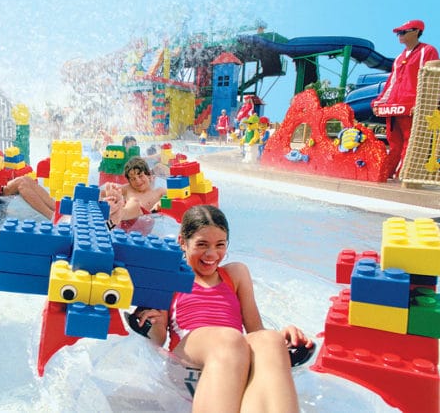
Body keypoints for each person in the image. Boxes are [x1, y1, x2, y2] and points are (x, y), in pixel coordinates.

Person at [133, 205, 313, 413]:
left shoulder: (236, 274)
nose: (212, 254)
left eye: (220, 245)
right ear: (182, 242)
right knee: (229, 339)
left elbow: (256, 331)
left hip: (233, 350)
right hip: (189, 354)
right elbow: (158, 340)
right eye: (202, 244)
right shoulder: (171, 277)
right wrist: (149, 322)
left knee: (269, 340)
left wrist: (284, 338)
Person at [371, 19, 438, 179]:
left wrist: (421, 104)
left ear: (416, 32)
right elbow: (391, 82)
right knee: (394, 143)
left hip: (412, 106)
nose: (399, 35)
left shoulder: (427, 51)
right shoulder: (399, 58)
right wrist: (379, 102)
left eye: (403, 32)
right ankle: (387, 174)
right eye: (398, 33)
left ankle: (403, 175)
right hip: (394, 106)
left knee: (411, 142)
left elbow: (431, 80)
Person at [102, 156, 167, 229]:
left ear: (148, 175)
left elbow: (175, 195)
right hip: (125, 222)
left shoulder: (159, 192)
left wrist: (160, 204)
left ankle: (118, 214)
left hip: (146, 224)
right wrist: (110, 195)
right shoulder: (128, 188)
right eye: (133, 179)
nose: (137, 181)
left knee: (136, 203)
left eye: (140, 176)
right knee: (133, 201)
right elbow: (101, 193)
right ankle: (117, 214)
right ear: (129, 182)